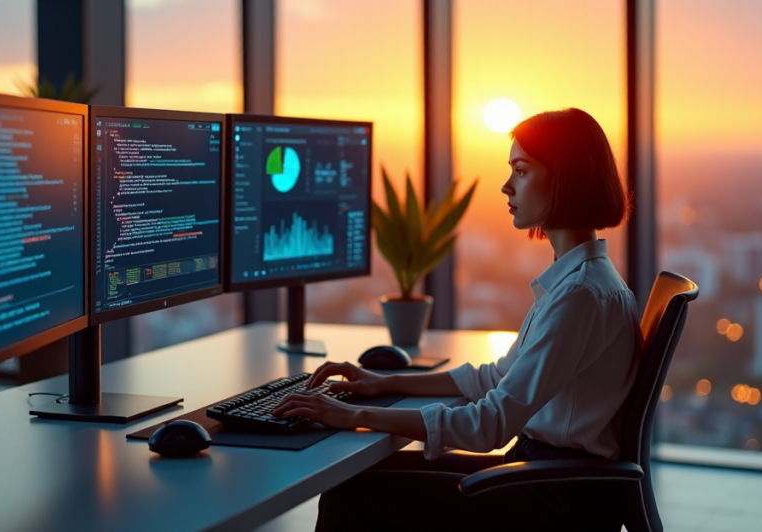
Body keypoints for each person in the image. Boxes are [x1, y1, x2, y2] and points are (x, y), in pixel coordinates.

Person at [273, 108, 640, 532]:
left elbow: (491, 424)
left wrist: (354, 415)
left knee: (350, 494)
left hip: (555, 499)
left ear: (563, 179)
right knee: (355, 478)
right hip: (546, 475)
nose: (506, 186)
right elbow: (496, 378)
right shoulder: (578, 282)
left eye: (521, 171)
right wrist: (384, 381)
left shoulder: (580, 295)